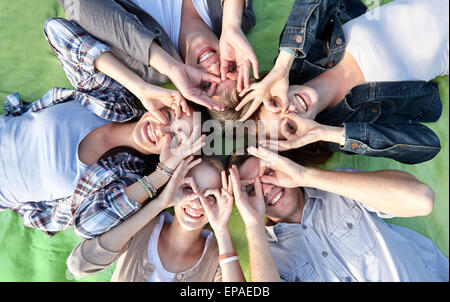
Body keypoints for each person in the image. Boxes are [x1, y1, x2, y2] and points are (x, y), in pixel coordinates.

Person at [0, 18, 208, 239]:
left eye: (176, 139)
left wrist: (162, 173)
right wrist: (140, 88)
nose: (162, 130)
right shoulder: (113, 100)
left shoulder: (128, 180)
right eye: (168, 115)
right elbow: (57, 31)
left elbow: (86, 225)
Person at [229, 0, 448, 164]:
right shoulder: (349, 127)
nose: (290, 110)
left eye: (275, 104)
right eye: (289, 125)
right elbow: (427, 145)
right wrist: (326, 133)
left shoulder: (304, 54)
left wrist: (282, 67)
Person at [228, 146, 449, 282]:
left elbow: (421, 199)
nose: (266, 188)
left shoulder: (340, 187)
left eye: (268, 173)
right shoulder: (269, 259)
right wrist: (253, 225)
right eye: (251, 189)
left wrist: (304, 175)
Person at [58, 0, 259, 116]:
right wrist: (231, 24)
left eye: (207, 84)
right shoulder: (235, 18)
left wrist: (169, 66)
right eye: (230, 69)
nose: (215, 68)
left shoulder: (149, 64)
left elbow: (78, 5)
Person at [67, 156, 246, 282]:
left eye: (211, 196)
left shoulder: (219, 257)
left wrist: (222, 230)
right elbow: (79, 265)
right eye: (189, 188)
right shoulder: (142, 226)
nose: (197, 202)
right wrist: (160, 203)